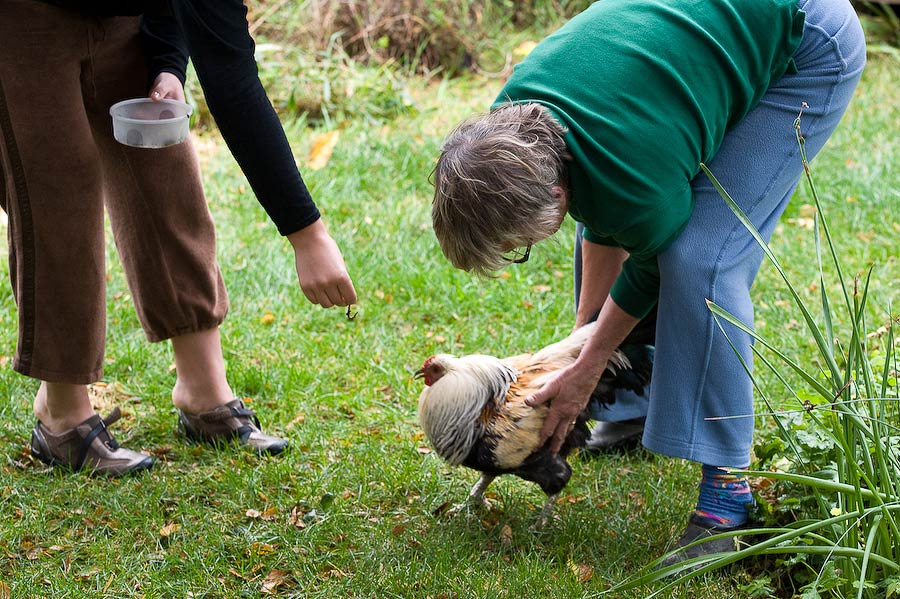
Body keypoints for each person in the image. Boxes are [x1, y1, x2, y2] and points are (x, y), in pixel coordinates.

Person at [431, 0, 865, 557]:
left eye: (521, 246)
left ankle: (728, 501)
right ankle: (632, 410)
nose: (525, 250)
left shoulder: (628, 169)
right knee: (627, 222)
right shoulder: (511, 128)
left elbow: (646, 262)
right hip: (709, 39)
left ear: (555, 194)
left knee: (700, 259)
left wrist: (589, 365)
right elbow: (601, 208)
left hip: (807, 34)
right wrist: (581, 341)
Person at [0, 0, 357, 475]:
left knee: (164, 162)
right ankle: (61, 415)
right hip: (20, 17)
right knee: (59, 189)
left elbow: (213, 48)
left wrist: (168, 63)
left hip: (118, 19)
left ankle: (202, 390)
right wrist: (307, 234)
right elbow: (232, 84)